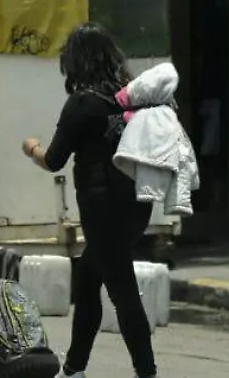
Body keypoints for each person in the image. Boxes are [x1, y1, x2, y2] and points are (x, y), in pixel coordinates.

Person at [22, 24, 160, 378]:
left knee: (123, 291)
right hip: (137, 203)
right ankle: (74, 369)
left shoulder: (82, 103)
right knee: (88, 281)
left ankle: (147, 372)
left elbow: (53, 160)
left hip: (103, 209)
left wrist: (31, 148)